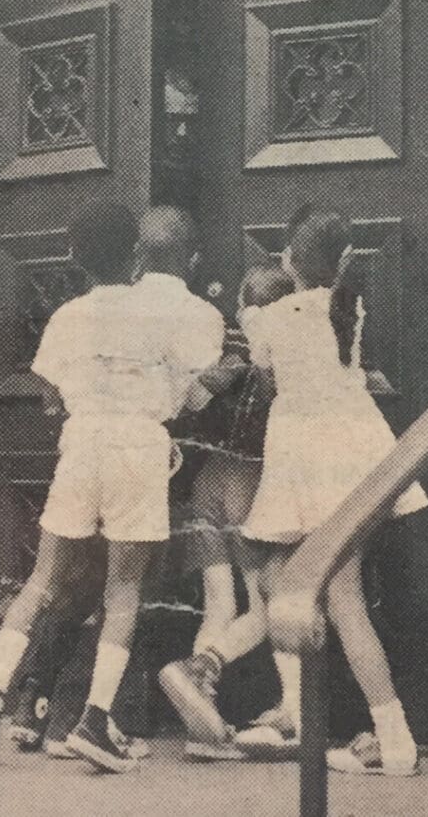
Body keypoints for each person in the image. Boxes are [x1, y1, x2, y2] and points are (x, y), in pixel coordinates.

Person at [0, 202, 224, 773]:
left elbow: (50, 395)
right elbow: (192, 386)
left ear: (76, 259)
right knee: (124, 588)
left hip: (81, 444)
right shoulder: (156, 315)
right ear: (135, 256)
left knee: (44, 578)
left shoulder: (66, 317)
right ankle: (96, 722)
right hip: (138, 446)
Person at [233, 205, 428, 776]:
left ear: (287, 259)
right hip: (358, 451)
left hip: (311, 461)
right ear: (343, 261)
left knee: (337, 598)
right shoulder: (349, 308)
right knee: (289, 579)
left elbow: (263, 369)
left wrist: (249, 317)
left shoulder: (273, 316)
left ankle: (393, 742)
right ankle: (305, 714)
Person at [160, 265, 297, 761]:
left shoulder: (229, 356)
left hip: (206, 484)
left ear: (241, 306)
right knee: (265, 607)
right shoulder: (282, 361)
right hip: (249, 483)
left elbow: (190, 398)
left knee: (218, 605)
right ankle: (212, 670)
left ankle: (205, 725)